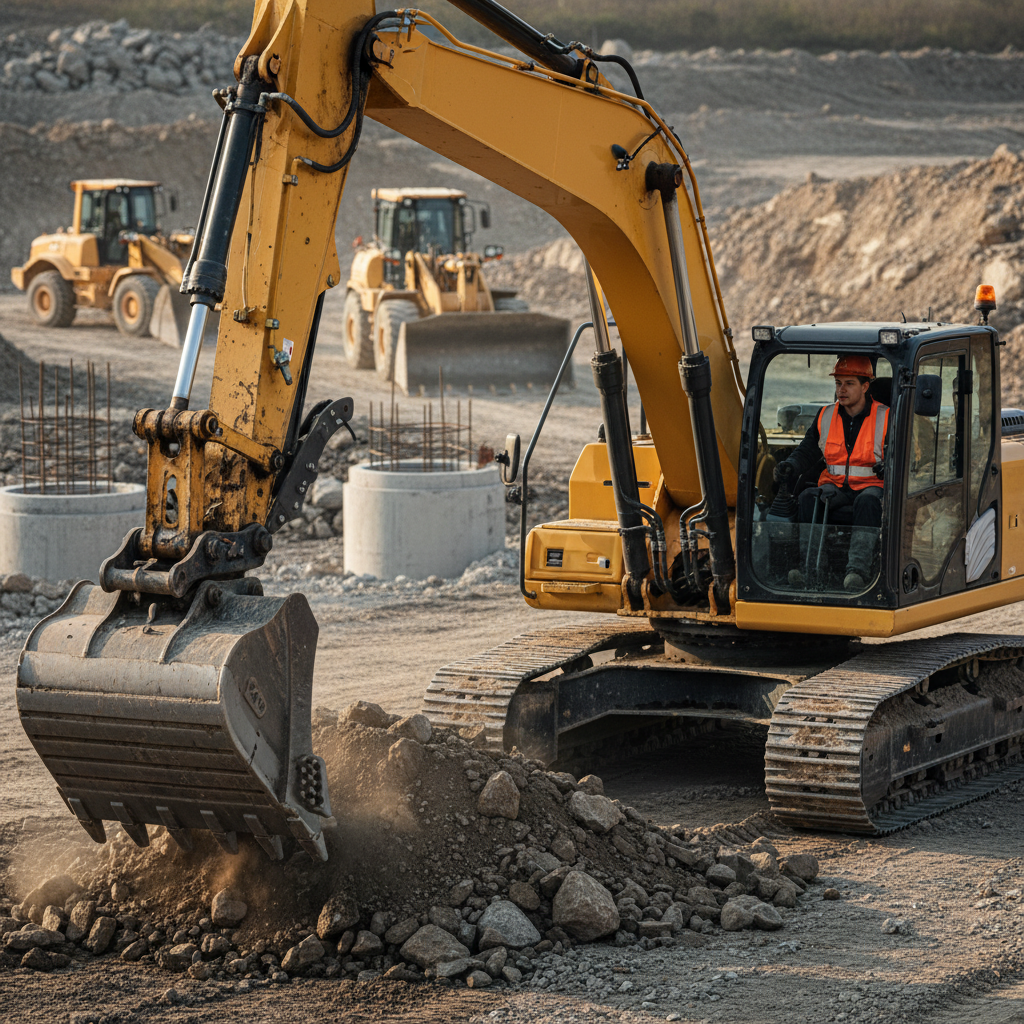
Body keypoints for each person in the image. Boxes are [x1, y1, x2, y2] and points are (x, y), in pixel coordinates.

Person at [774, 355, 889, 592]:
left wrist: (890, 465)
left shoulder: (886, 416)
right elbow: (807, 449)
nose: (841, 390)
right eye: (838, 383)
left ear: (865, 386)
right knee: (808, 497)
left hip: (872, 486)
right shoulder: (825, 415)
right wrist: (790, 465)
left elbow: (904, 453)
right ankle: (811, 569)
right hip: (835, 485)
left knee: (868, 502)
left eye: (849, 383)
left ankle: (857, 572)